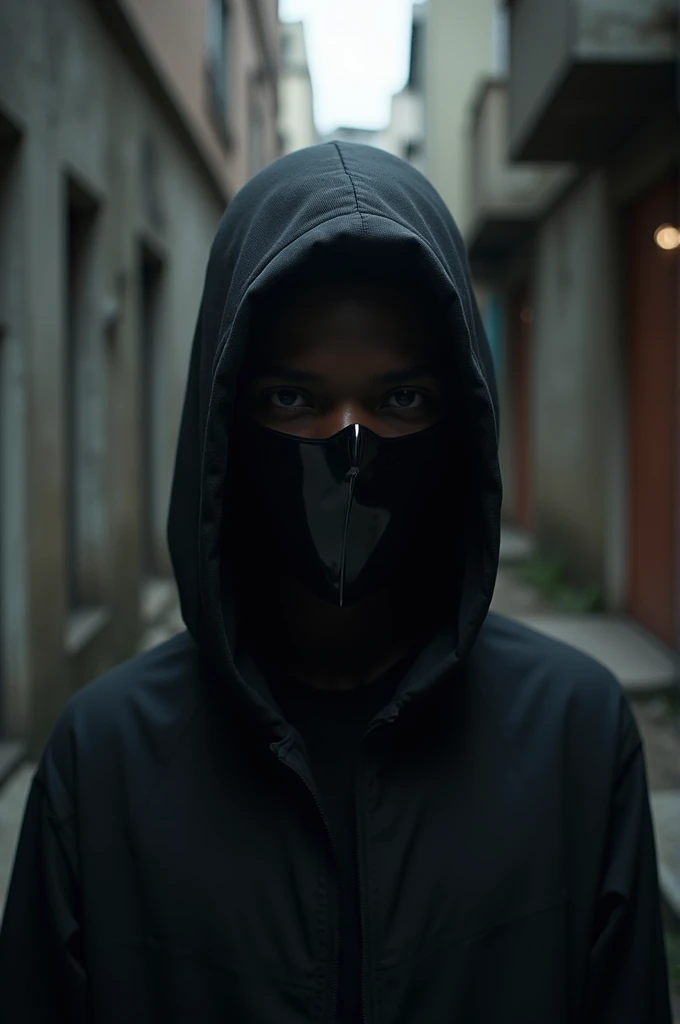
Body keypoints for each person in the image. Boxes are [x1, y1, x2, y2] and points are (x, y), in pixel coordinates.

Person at [0, 143, 671, 1023]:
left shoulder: (573, 737)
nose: (347, 446)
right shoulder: (106, 764)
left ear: (460, 420)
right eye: (292, 400)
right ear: (224, 424)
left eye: (400, 401)